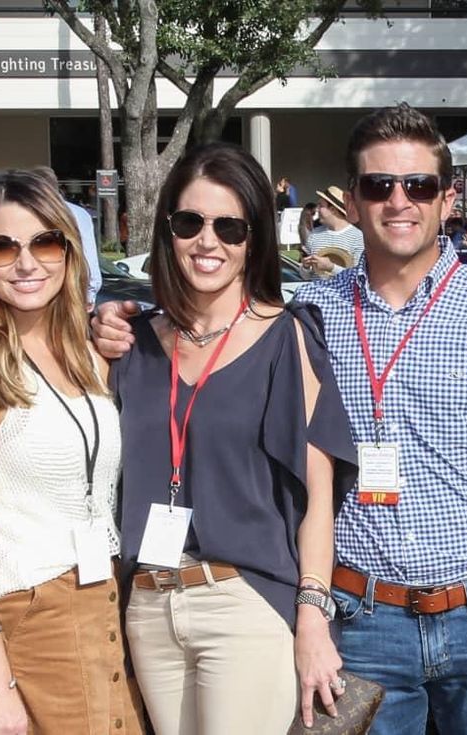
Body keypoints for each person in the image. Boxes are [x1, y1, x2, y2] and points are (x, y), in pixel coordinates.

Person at [93, 103, 467, 735]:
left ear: (447, 198)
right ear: (352, 199)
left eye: (418, 185)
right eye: (378, 185)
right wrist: (115, 319)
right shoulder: (308, 315)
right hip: (358, 620)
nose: (398, 201)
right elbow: (214, 313)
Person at [111, 143, 357, 733]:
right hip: (148, 605)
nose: (208, 241)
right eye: (189, 222)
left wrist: (313, 615)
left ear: (254, 239)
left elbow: (316, 497)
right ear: (168, 229)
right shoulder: (130, 344)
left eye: (229, 227)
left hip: (242, 603)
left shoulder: (286, 339)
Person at [0, 169, 143, 734]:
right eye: (3, 246)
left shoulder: (85, 351)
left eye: (44, 242)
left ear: (69, 251)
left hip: (108, 598)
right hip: (36, 610)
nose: (26, 263)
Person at [34, 167, 102, 309]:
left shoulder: (31, 213)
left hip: (46, 290)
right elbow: (88, 254)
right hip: (72, 291)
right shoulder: (79, 213)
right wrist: (90, 293)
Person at [302, 185, 365, 277]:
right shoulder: (314, 235)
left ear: (332, 210)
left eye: (321, 206)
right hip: (317, 287)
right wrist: (305, 267)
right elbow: (306, 276)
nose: (317, 209)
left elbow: (358, 276)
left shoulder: (357, 237)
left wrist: (331, 267)